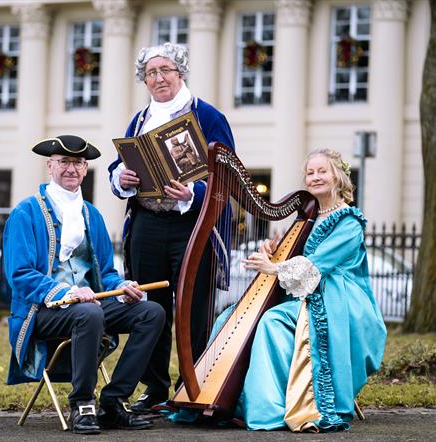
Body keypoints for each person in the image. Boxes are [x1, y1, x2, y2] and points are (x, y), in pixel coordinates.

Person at [3, 135, 166, 435]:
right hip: (43, 310)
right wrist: (68, 292)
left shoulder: (92, 215)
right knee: (89, 313)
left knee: (151, 312)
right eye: (64, 162)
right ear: (50, 166)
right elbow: (20, 275)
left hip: (89, 306)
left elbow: (105, 272)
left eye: (78, 163)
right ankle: (82, 404)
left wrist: (125, 286)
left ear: (86, 169)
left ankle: (114, 402)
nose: (71, 169)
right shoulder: (25, 213)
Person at [108, 42, 235, 413]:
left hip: (192, 225)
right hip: (147, 222)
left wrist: (192, 193)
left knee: (193, 307)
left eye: (165, 70)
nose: (158, 78)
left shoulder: (208, 116)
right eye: (151, 73)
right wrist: (122, 177)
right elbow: (119, 165)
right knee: (151, 306)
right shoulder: (139, 119)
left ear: (180, 72)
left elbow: (226, 175)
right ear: (143, 79)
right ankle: (156, 387)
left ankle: (191, 384)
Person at [237, 148, 387, 431]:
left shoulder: (349, 221)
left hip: (341, 300)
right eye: (310, 172)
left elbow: (318, 266)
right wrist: (274, 252)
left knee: (271, 321)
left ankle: (273, 408)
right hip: (315, 291)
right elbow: (299, 257)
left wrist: (273, 268)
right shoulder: (310, 216)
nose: (315, 177)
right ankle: (243, 400)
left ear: (337, 176)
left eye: (322, 171)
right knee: (232, 317)